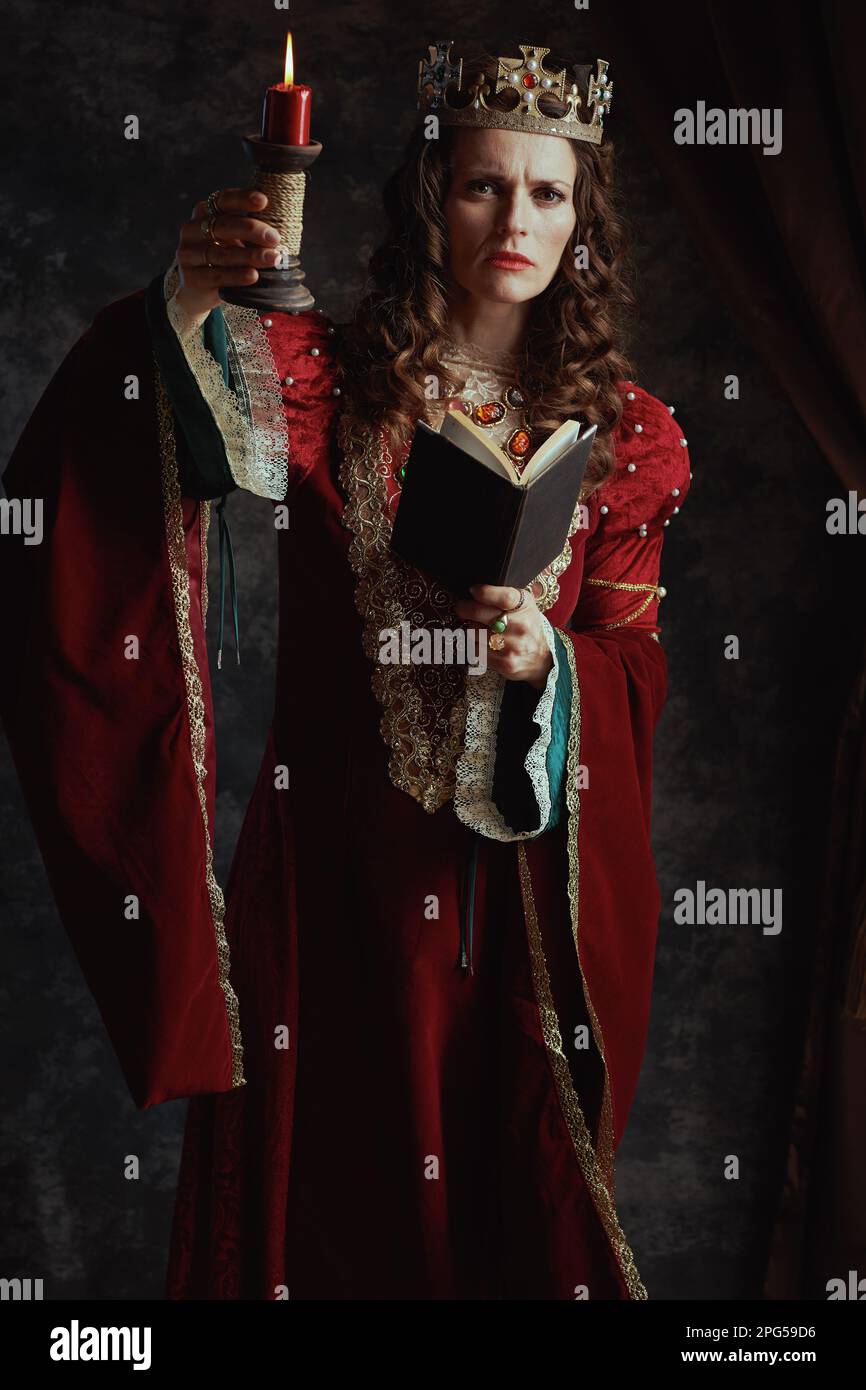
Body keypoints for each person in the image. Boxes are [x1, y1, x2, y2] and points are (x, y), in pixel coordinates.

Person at [0, 41, 692, 1300]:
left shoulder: (627, 438)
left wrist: (557, 663)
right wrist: (190, 302)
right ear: (435, 196)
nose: (515, 220)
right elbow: (138, 439)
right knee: (323, 1214)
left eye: (548, 194)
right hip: (328, 887)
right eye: (485, 186)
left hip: (512, 899)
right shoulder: (318, 380)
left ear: (582, 218)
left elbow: (633, 656)